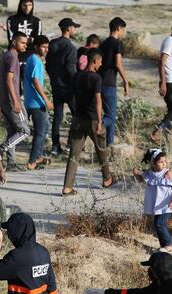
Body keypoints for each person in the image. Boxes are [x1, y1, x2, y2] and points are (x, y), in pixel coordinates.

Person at [62, 49, 112, 196]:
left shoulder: (77, 75)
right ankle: (107, 178)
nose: (101, 64)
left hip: (78, 118)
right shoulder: (96, 78)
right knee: (101, 149)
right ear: (95, 61)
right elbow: (97, 100)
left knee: (74, 154)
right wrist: (100, 121)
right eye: (100, 61)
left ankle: (67, 187)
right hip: (92, 119)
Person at [133, 148, 172, 252]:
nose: (164, 164)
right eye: (161, 162)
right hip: (157, 204)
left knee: (159, 223)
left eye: (165, 161)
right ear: (153, 163)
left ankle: (169, 244)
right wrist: (136, 174)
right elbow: (141, 180)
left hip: (166, 203)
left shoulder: (167, 173)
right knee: (157, 224)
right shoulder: (150, 173)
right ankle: (164, 246)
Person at [46, 17, 80, 156]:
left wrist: (54, 78)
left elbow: (47, 65)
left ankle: (55, 146)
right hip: (69, 88)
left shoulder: (53, 44)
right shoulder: (70, 47)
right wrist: (77, 84)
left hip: (56, 86)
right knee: (77, 115)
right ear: (68, 29)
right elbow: (71, 69)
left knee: (57, 117)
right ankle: (71, 144)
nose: (75, 30)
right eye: (74, 27)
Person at [0, 33, 30, 170]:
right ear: (14, 42)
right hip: (11, 100)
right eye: (22, 43)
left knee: (12, 131)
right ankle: (2, 148)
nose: (25, 45)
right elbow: (9, 79)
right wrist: (16, 101)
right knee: (24, 130)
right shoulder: (12, 57)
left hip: (4, 99)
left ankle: (11, 162)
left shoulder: (6, 55)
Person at [150, 19, 172, 144]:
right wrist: (163, 83)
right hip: (169, 83)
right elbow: (161, 62)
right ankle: (156, 132)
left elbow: (171, 65)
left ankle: (169, 141)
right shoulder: (169, 42)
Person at [99, 17, 130, 146]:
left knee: (110, 114)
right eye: (123, 30)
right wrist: (126, 81)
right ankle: (96, 128)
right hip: (109, 83)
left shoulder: (103, 43)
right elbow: (118, 63)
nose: (123, 32)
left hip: (99, 82)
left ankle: (109, 144)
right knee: (111, 116)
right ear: (118, 28)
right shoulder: (117, 43)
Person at [23, 35, 53, 170]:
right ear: (36, 46)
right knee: (40, 132)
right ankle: (32, 161)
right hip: (36, 103)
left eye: (47, 47)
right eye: (43, 47)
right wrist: (46, 100)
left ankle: (39, 156)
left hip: (31, 101)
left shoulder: (31, 59)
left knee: (45, 127)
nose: (46, 50)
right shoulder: (35, 61)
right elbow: (35, 81)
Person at [6, 0, 42, 68]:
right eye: (24, 5)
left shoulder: (37, 21)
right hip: (15, 54)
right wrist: (29, 40)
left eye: (30, 5)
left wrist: (20, 41)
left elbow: (38, 41)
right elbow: (11, 39)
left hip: (31, 53)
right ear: (20, 5)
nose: (27, 8)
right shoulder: (11, 20)